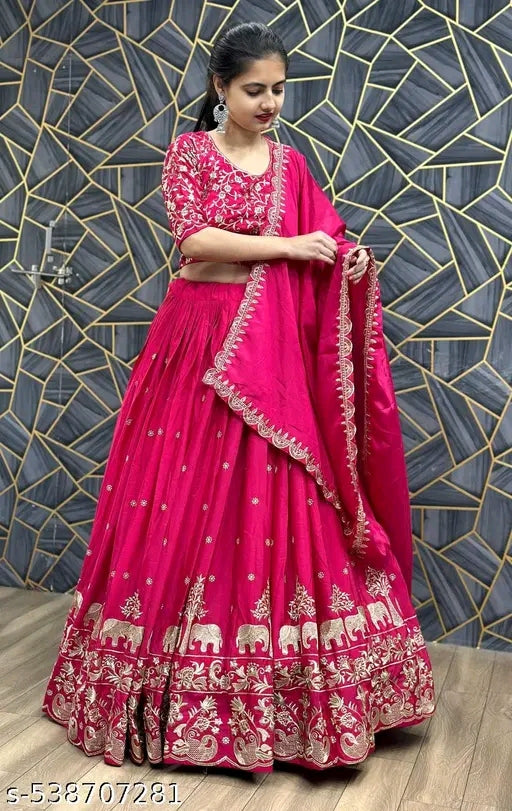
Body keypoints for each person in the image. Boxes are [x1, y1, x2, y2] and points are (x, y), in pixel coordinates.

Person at [42, 22, 435, 772]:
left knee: (277, 497)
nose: (270, 103)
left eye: (279, 89)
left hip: (270, 351)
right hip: (196, 345)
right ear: (220, 88)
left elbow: (327, 234)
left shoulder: (292, 164)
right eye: (256, 89)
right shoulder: (190, 152)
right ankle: (161, 690)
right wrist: (290, 249)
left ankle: (295, 700)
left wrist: (347, 261)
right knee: (178, 502)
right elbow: (195, 240)